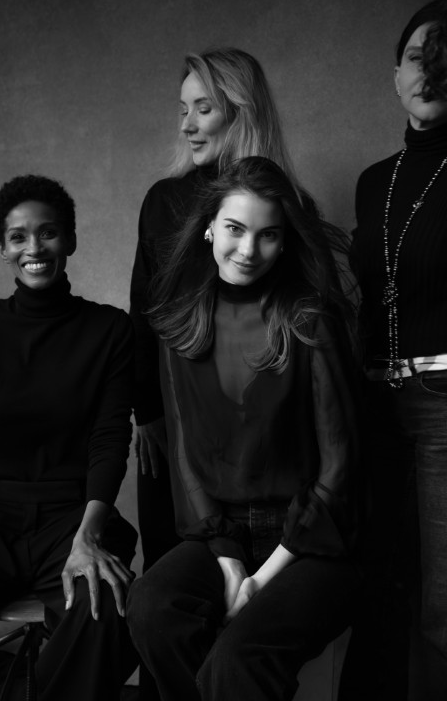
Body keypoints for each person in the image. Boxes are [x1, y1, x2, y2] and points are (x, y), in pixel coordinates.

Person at [126, 156, 363, 701]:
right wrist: (230, 561)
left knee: (238, 658)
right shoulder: (181, 322)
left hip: (312, 543)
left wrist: (260, 578)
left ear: (285, 242)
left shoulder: (309, 320)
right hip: (223, 530)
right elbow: (185, 457)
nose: (248, 250)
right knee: (151, 607)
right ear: (209, 227)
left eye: (268, 235)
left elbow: (339, 471)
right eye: (235, 228)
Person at [129, 48, 299, 578]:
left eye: (203, 109)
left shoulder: (286, 205)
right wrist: (147, 414)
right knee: (171, 573)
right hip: (175, 417)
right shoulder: (163, 201)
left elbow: (304, 325)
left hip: (260, 426)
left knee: (257, 587)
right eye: (183, 110)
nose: (187, 126)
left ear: (241, 111)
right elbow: (143, 313)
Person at [0, 175, 138, 700]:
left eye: (48, 233)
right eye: (18, 237)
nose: (34, 248)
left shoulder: (110, 329)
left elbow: (110, 439)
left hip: (73, 515)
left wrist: (88, 538)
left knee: (106, 606)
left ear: (70, 240)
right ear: (3, 248)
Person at [338, 0, 447, 701]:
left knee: (443, 598)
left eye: (445, 60)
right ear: (395, 74)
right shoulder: (373, 181)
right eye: (416, 56)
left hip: (443, 407)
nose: (429, 72)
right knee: (377, 581)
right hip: (375, 402)